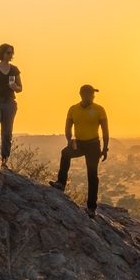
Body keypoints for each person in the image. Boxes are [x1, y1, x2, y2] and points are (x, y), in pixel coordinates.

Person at [52, 84, 109, 213]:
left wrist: (105, 148)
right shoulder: (73, 109)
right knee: (65, 153)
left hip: (93, 145)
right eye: (91, 94)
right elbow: (68, 127)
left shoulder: (99, 109)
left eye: (93, 95)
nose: (93, 97)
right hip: (79, 144)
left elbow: (105, 130)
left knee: (92, 175)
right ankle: (61, 183)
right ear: (82, 95)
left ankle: (91, 207)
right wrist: (69, 141)